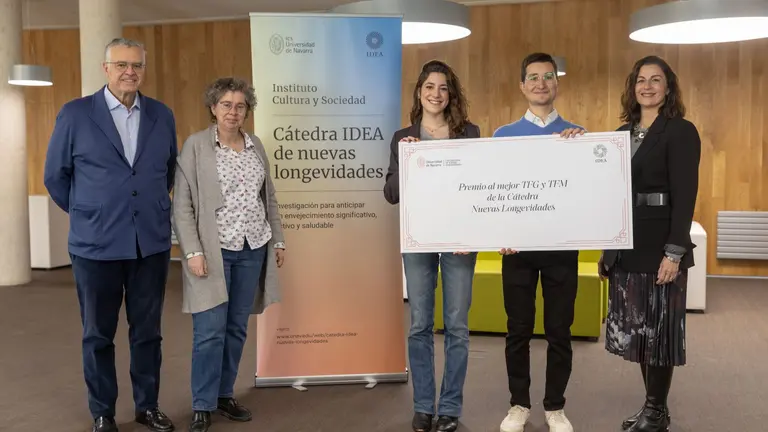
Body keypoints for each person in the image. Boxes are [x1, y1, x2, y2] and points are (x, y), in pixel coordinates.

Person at [43, 38, 177, 432]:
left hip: (149, 244)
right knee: (98, 334)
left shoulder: (162, 115)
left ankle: (146, 406)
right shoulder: (75, 114)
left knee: (148, 332)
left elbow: (167, 170)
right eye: (121, 65)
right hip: (95, 245)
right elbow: (55, 176)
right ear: (106, 69)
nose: (129, 72)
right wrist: (90, 212)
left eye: (136, 65)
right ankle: (102, 411)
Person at [171, 77, 286, 432]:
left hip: (253, 247)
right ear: (213, 108)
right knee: (209, 330)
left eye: (239, 106)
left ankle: (224, 395)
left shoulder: (256, 147)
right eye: (226, 105)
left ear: (247, 110)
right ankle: (202, 403)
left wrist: (278, 240)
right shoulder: (196, 146)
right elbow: (183, 204)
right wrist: (191, 250)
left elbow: (268, 198)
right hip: (213, 251)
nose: (233, 112)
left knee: (236, 328)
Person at [600, 55, 700, 432]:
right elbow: (611, 194)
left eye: (655, 80)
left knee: (660, 334)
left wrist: (675, 252)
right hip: (627, 245)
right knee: (640, 335)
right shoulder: (620, 135)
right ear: (633, 87)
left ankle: (655, 412)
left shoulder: (680, 131)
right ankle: (653, 408)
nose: (647, 86)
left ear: (668, 87)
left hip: (660, 248)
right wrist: (608, 248)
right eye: (641, 80)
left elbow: (685, 194)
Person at [383, 60, 480, 432]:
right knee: (420, 324)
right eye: (429, 87)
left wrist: (471, 233)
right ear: (419, 92)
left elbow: (479, 188)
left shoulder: (469, 133)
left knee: (457, 326)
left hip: (459, 241)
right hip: (418, 239)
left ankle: (450, 408)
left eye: (443, 88)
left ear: (450, 94)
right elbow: (390, 193)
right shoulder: (402, 137)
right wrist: (407, 161)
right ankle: (424, 406)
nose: (436, 94)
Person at [493, 52, 584, 432]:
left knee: (559, 331)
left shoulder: (578, 136)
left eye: (548, 76)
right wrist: (497, 233)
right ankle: (518, 404)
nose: (541, 83)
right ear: (522, 86)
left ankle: (555, 407)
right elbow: (491, 193)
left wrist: (582, 150)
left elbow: (586, 192)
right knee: (518, 330)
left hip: (561, 247)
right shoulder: (502, 136)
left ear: (556, 84)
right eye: (533, 77)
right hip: (517, 250)